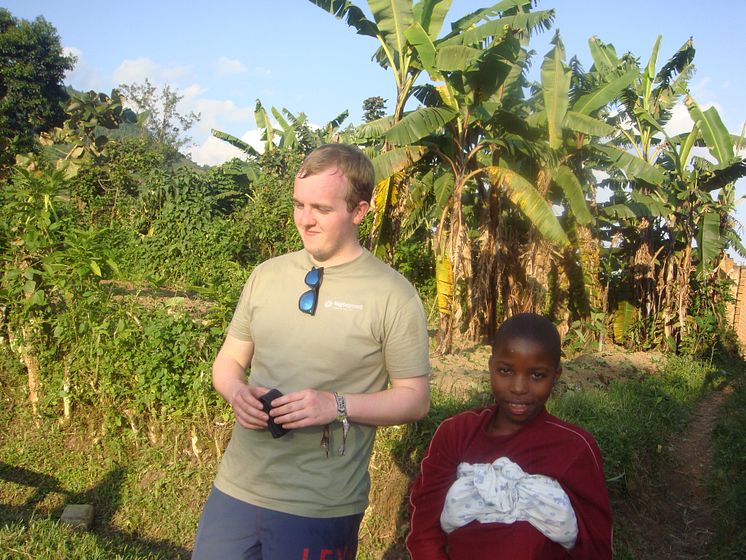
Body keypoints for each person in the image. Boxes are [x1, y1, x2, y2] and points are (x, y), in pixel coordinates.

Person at [191, 143, 431, 560]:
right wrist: (236, 392)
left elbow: (415, 399)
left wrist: (335, 405)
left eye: (320, 208)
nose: (305, 220)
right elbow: (228, 362)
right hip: (237, 488)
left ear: (359, 211)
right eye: (299, 205)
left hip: (321, 504)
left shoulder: (393, 295)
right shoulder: (265, 275)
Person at [406, 313, 612, 559]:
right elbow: (425, 528)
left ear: (555, 376)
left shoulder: (574, 448)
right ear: (491, 367)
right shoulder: (457, 434)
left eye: (537, 375)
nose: (518, 387)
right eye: (505, 371)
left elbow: (595, 544)